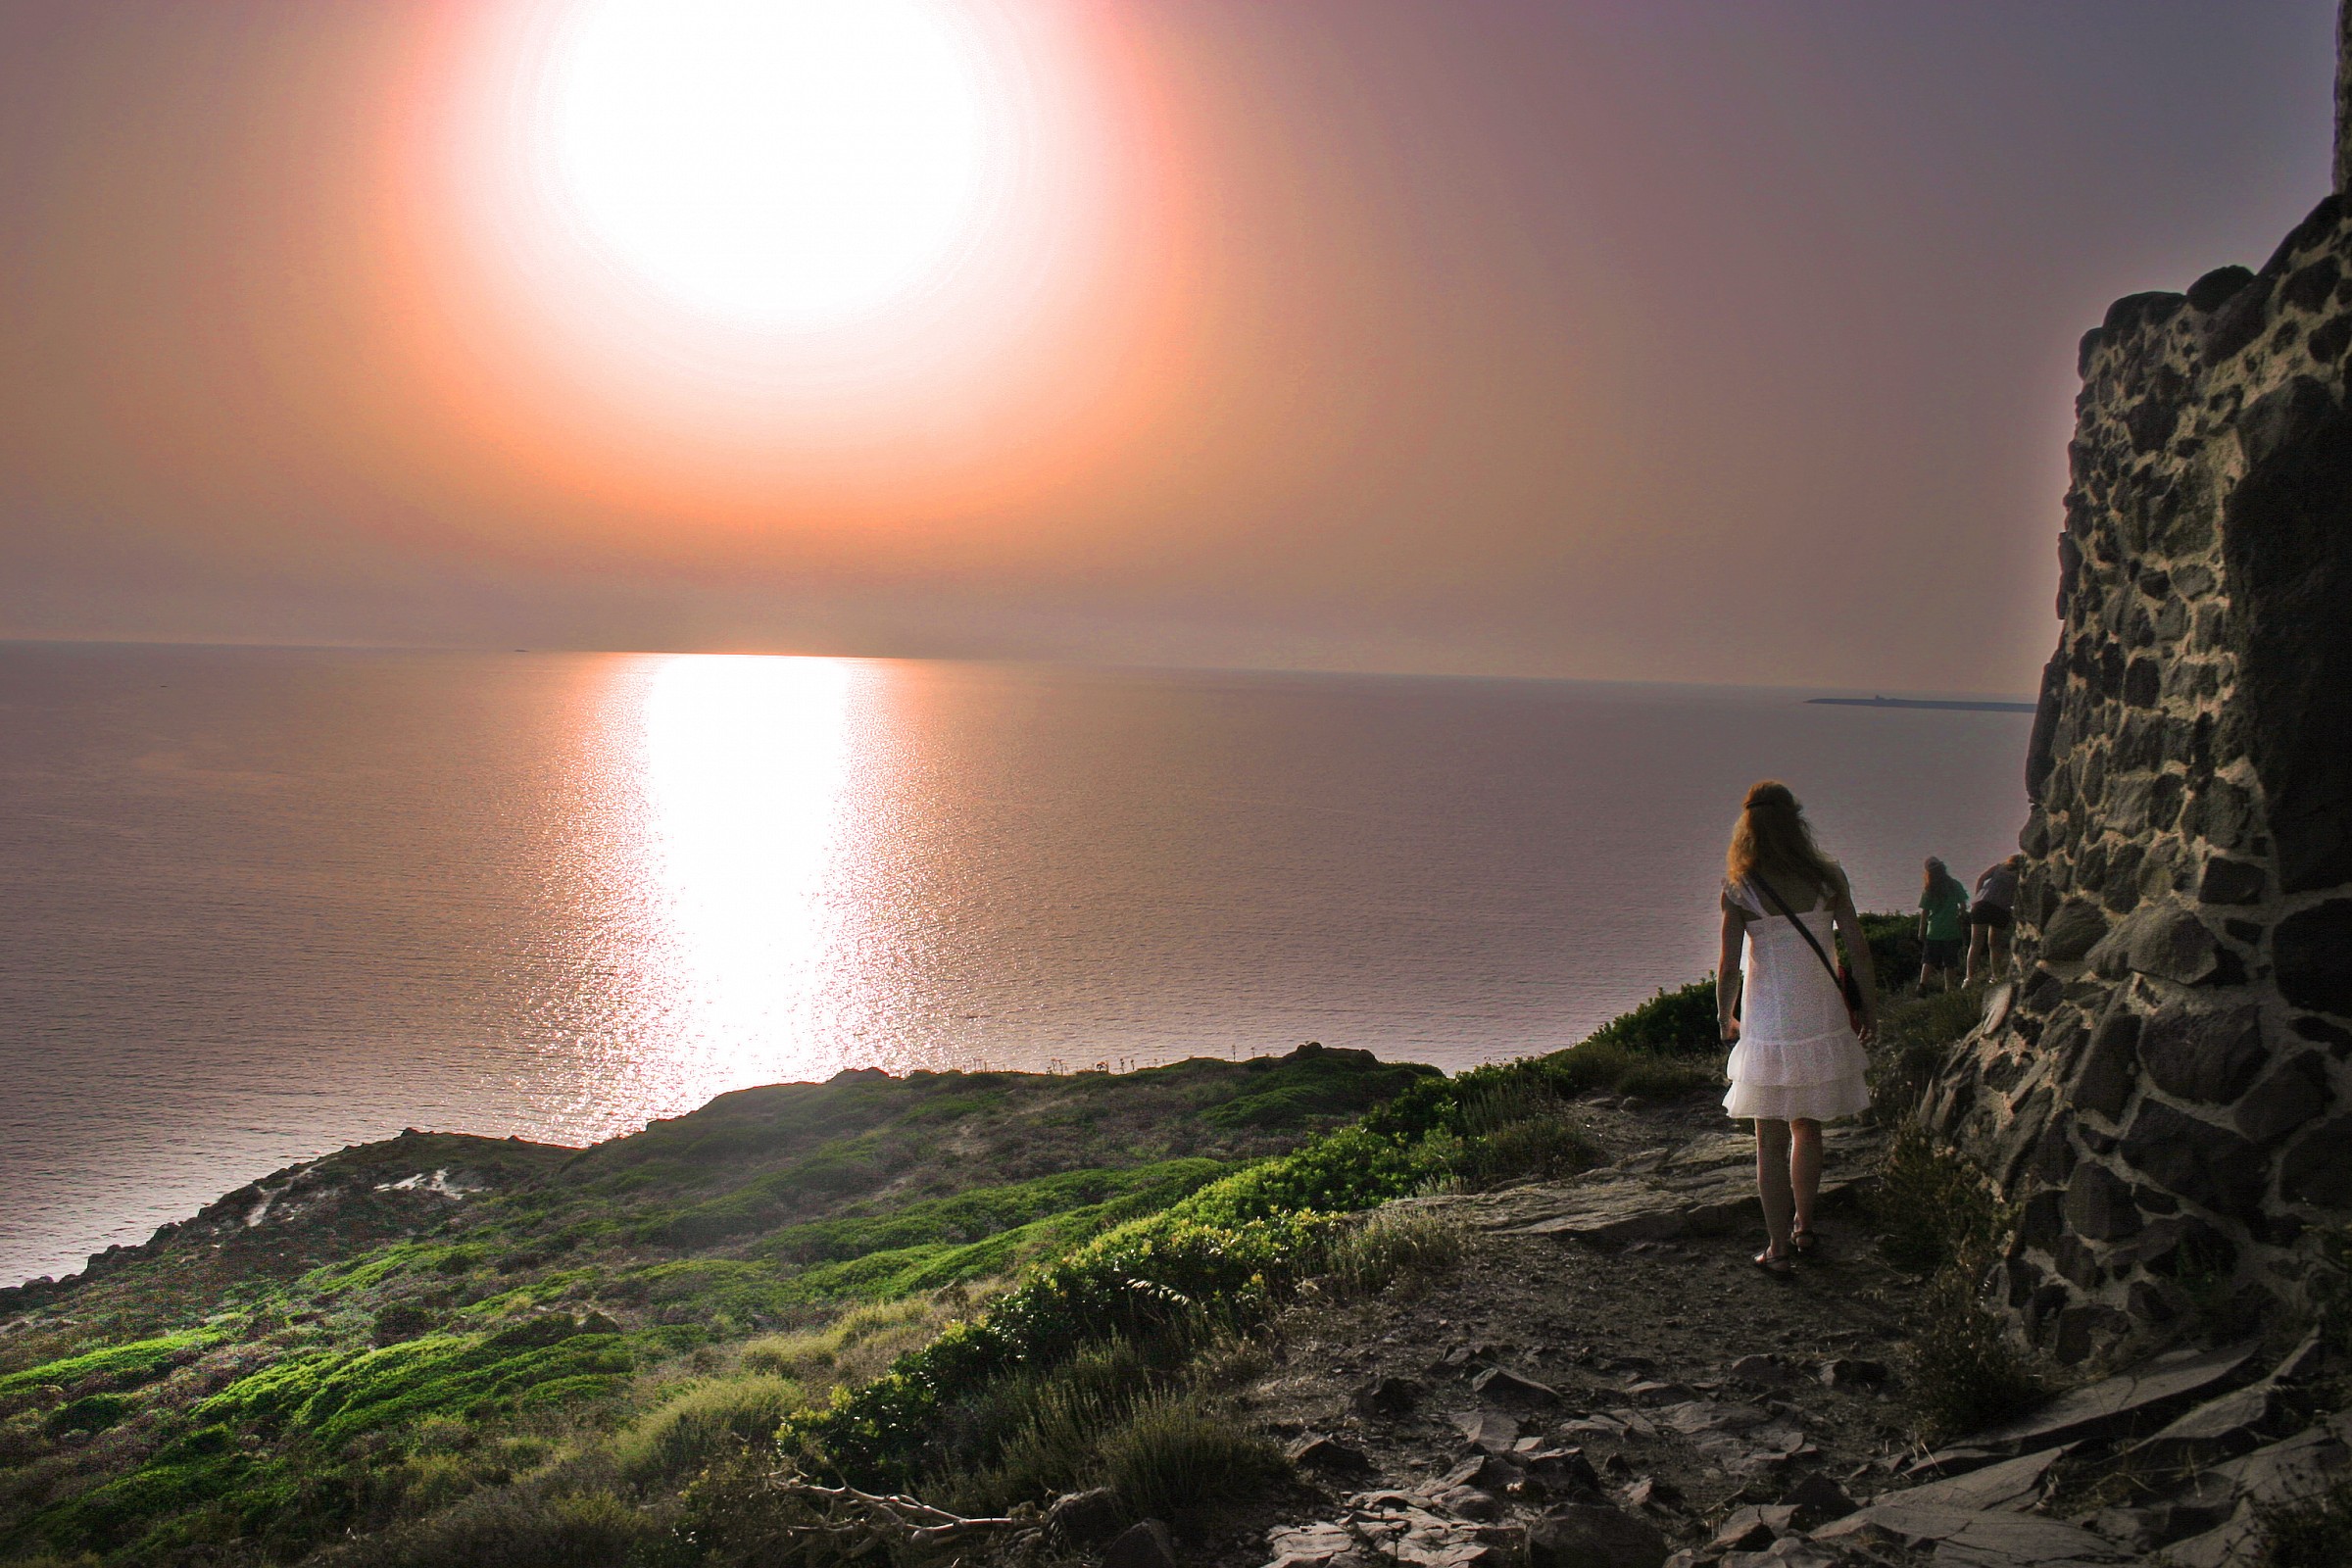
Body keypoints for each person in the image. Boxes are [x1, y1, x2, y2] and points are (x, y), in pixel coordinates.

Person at [1715, 781, 1879, 1274]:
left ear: (1749, 826)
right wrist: (1870, 1009)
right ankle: (1805, 1226)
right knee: (1807, 1127)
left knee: (1769, 1137)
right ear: (1796, 820)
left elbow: (1727, 967)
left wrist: (1725, 1015)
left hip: (1768, 1020)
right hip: (1821, 1014)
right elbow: (1858, 948)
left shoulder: (1740, 887)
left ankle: (1778, 1247)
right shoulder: (1829, 877)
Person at [1966, 854, 2023, 984]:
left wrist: (1976, 897)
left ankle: (1969, 978)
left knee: (1975, 943)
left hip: (1983, 904)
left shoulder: (1999, 867)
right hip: (2001, 909)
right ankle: (1996, 976)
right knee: (1994, 944)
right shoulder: (2019, 876)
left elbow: (1982, 878)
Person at [1917, 857, 1970, 993]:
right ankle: (1949, 988)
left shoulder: (1929, 890)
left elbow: (1924, 913)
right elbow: (1963, 905)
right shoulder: (1954, 885)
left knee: (1928, 960)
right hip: (1952, 930)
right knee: (1950, 963)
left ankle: (1922, 985)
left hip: (1933, 931)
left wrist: (1921, 931)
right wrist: (1962, 917)